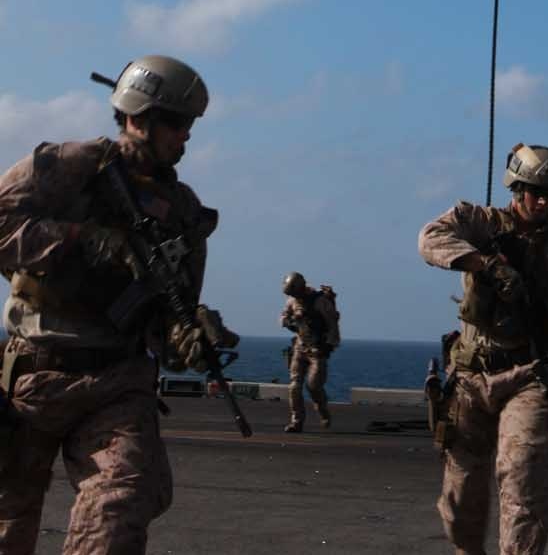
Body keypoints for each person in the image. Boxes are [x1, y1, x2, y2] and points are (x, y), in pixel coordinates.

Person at [0, 55, 236, 555]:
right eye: (175, 122)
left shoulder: (184, 213)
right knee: (8, 522)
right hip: (36, 376)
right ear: (136, 116)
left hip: (118, 382)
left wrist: (192, 333)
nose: (185, 136)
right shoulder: (66, 168)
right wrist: (80, 239)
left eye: (189, 124)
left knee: (118, 515)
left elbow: (173, 316)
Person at [418, 142, 548, 555]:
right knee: (461, 496)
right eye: (535, 193)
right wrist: (484, 264)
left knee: (525, 480)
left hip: (528, 375)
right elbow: (430, 239)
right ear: (516, 188)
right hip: (471, 375)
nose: (542, 202)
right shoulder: (479, 223)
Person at [280, 272, 341, 432]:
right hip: (300, 347)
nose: (294, 296)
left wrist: (330, 345)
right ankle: (296, 421)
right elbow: (284, 316)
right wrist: (288, 321)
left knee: (314, 386)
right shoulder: (292, 301)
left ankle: (323, 411)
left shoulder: (320, 301)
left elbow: (332, 323)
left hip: (317, 349)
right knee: (294, 386)